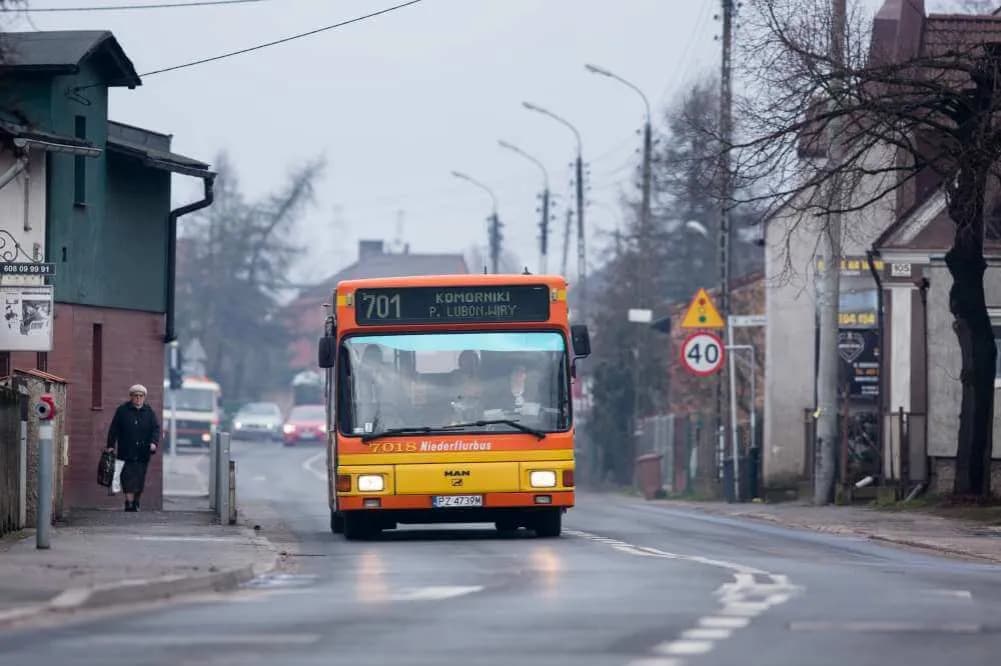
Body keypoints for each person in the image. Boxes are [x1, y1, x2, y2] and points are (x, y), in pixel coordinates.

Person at [104, 384, 160, 512]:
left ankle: (136, 501)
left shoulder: (149, 412)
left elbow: (156, 429)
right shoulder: (122, 411)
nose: (138, 398)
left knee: (139, 478)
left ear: (144, 397)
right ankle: (129, 503)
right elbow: (114, 429)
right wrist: (111, 446)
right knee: (127, 478)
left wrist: (153, 443)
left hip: (143, 452)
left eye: (141, 396)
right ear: (131, 397)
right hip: (126, 451)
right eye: (136, 396)